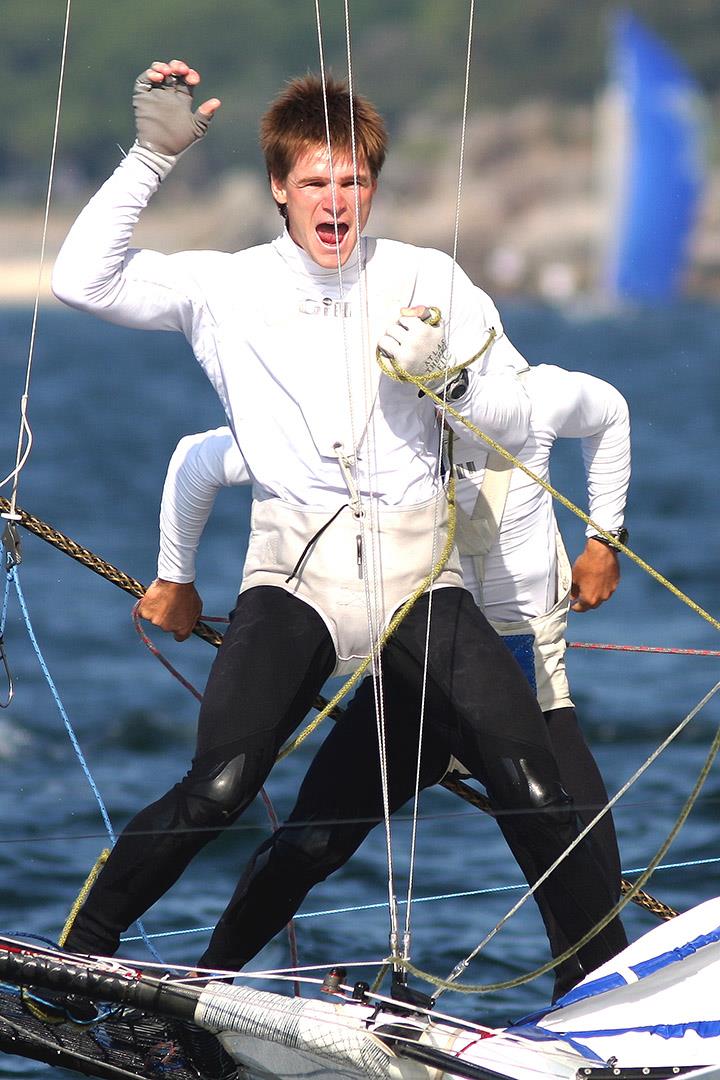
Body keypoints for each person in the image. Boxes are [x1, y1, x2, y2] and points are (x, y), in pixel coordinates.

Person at [51, 59, 626, 987]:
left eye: (352, 179)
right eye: (314, 180)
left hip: (417, 575)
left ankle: (596, 994)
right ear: (280, 188)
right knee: (222, 788)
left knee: (532, 784)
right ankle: (81, 958)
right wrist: (150, 161)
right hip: (296, 571)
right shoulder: (223, 286)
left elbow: (522, 416)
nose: (335, 200)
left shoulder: (426, 276)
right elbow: (82, 282)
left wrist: (452, 377)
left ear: (373, 186)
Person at [142, 360, 630, 999]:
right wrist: (175, 575)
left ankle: (601, 1015)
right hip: (415, 684)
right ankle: (203, 989)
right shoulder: (369, 425)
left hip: (526, 683)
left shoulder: (533, 398)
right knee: (308, 846)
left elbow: (612, 412)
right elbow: (198, 459)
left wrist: (604, 539)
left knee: (578, 857)